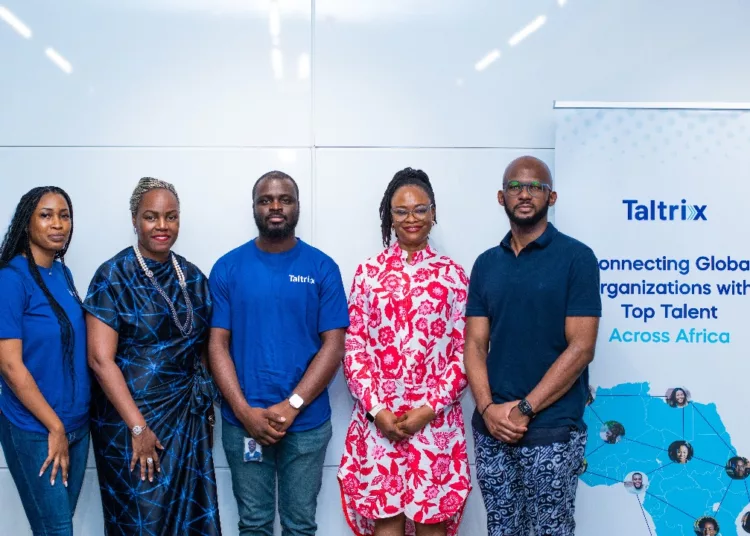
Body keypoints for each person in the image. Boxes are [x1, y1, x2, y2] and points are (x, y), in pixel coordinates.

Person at [464, 156, 601, 536]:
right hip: (492, 429)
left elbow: (581, 348)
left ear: (551, 196)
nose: (524, 194)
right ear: (500, 197)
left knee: (549, 531)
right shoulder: (486, 264)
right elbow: (474, 344)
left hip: (552, 428)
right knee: (501, 530)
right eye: (515, 187)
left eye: (535, 187)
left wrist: (525, 409)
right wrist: (488, 409)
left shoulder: (577, 258)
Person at [208, 170, 349, 536]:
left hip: (306, 424)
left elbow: (334, 346)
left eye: (284, 199)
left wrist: (293, 404)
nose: (275, 206)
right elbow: (216, 344)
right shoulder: (228, 267)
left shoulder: (321, 267)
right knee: (253, 525)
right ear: (254, 207)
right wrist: (242, 410)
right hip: (244, 422)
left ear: (297, 206)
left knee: (300, 526)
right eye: (265, 199)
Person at [338, 168, 472, 536]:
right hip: (380, 422)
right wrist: (378, 410)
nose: (411, 218)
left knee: (432, 523)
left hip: (435, 421)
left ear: (433, 213)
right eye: (401, 211)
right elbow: (354, 347)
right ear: (389, 217)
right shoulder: (368, 274)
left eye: (419, 209)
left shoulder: (454, 276)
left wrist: (427, 410)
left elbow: (466, 352)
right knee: (387, 523)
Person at [84, 178, 221, 535]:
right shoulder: (112, 276)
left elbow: (204, 347)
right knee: (139, 520)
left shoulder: (192, 277)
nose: (162, 226)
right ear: (134, 220)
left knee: (189, 518)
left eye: (171, 217)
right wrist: (138, 427)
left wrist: (206, 404)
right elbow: (100, 361)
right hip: (129, 422)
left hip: (185, 420)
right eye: (151, 217)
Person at [0, 187, 90, 536]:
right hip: (36, 428)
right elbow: (9, 365)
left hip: (77, 427)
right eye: (46, 214)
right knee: (57, 530)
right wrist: (54, 427)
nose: (58, 224)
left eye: (64, 215)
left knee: (59, 525)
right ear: (27, 223)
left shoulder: (62, 275)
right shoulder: (11, 279)